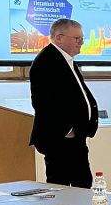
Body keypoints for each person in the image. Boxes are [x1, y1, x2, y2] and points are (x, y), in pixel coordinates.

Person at [27, 18, 98, 187]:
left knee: (83, 184)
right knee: (61, 187)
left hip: (75, 138)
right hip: (60, 139)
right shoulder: (47, 61)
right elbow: (44, 102)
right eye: (77, 38)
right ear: (59, 38)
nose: (81, 42)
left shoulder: (66, 60)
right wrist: (67, 129)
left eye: (82, 38)